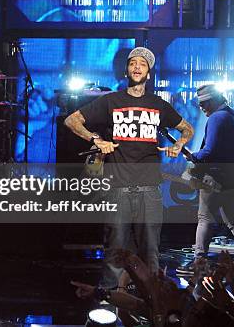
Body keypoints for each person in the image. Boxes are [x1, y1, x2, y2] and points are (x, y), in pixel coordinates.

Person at [63, 47, 194, 288]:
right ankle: (110, 305)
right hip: (118, 187)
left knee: (150, 252)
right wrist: (96, 140)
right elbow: (71, 120)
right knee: (115, 251)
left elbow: (187, 129)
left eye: (142, 64)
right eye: (133, 63)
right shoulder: (111, 100)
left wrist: (179, 145)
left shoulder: (158, 104)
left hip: (149, 189)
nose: (137, 67)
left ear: (149, 73)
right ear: (126, 70)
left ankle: (151, 304)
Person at [177, 85, 234, 275]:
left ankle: (199, 261)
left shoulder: (217, 118)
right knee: (233, 222)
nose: (201, 107)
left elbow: (210, 151)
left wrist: (195, 157)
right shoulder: (233, 114)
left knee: (204, 219)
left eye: (203, 103)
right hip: (232, 177)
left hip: (215, 177)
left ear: (213, 101)